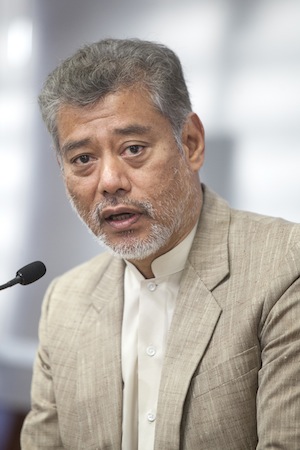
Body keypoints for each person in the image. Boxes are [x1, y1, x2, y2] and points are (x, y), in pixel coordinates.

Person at [21, 38, 300, 449]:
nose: (109, 182)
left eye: (133, 149)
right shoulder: (64, 302)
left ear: (190, 143)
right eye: (83, 159)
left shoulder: (284, 266)